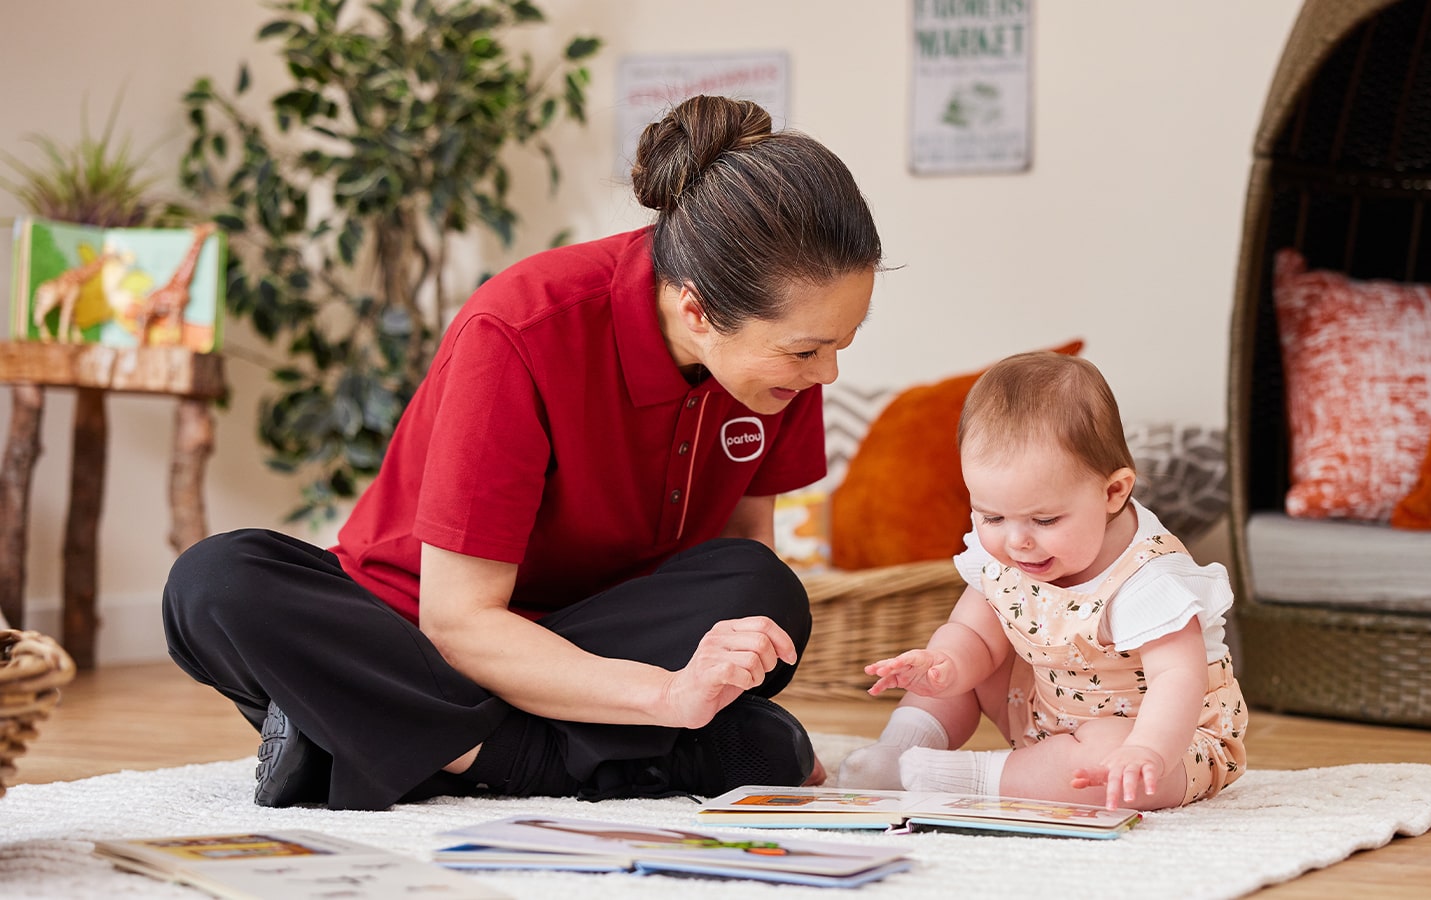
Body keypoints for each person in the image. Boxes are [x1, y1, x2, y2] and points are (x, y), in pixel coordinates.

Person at [163, 94, 883, 811]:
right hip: (414, 634)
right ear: (698, 311)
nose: (826, 373)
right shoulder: (520, 328)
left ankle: (373, 738)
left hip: (598, 631)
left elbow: (736, 563)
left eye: (840, 345)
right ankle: (562, 758)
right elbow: (458, 623)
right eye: (808, 350)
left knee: (763, 597)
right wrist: (668, 697)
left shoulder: (776, 368)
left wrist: (713, 668)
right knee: (216, 583)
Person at [836, 353, 1247, 811]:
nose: (1017, 542)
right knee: (947, 670)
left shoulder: (1146, 579)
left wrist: (1146, 749)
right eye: (991, 515)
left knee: (1115, 770)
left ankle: (963, 779)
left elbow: (1178, 678)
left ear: (1113, 492)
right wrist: (947, 664)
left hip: (1167, 736)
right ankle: (894, 754)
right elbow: (973, 632)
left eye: (1045, 519)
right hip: (1041, 709)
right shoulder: (1010, 551)